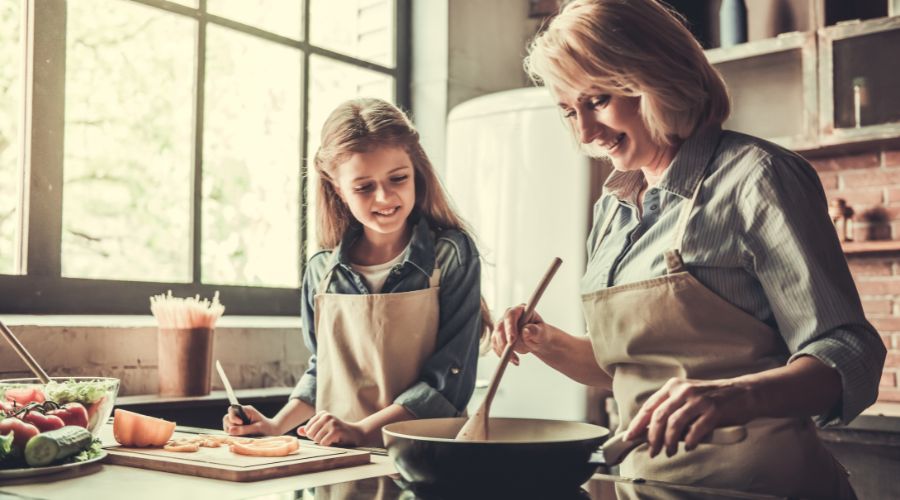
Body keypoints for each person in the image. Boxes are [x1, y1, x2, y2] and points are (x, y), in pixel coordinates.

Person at [492, 0, 885, 497]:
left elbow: (850, 350)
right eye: (570, 111)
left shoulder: (756, 178)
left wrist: (732, 398)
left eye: (597, 101)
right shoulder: (612, 209)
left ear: (654, 77)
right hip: (649, 486)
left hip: (764, 486)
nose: (585, 133)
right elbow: (631, 368)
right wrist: (545, 341)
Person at [223, 98, 490, 447]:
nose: (384, 197)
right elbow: (325, 369)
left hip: (426, 456)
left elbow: (449, 381)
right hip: (339, 458)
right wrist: (274, 425)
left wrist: (363, 430)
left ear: (416, 172)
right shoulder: (321, 269)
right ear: (337, 188)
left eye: (398, 178)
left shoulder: (451, 254)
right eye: (364, 187)